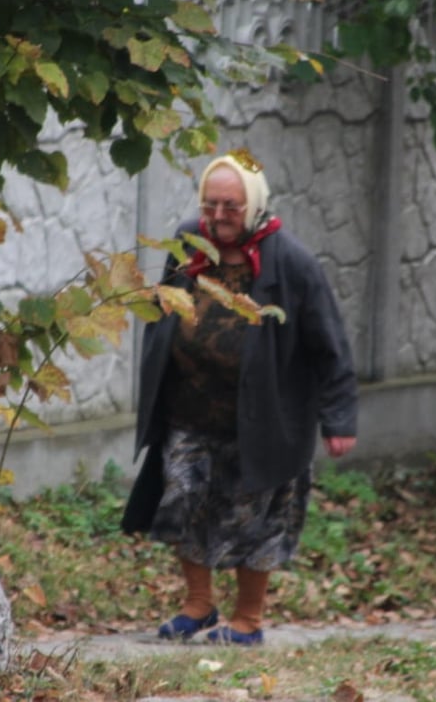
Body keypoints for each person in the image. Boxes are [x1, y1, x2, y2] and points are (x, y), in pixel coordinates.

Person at [121, 148, 359, 646]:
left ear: (253, 205)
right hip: (189, 411)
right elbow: (163, 310)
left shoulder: (290, 261)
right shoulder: (188, 246)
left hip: (267, 418)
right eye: (211, 204)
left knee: (259, 517)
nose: (219, 216)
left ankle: (247, 619)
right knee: (181, 502)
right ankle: (198, 605)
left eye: (230, 205)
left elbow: (328, 343)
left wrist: (339, 420)